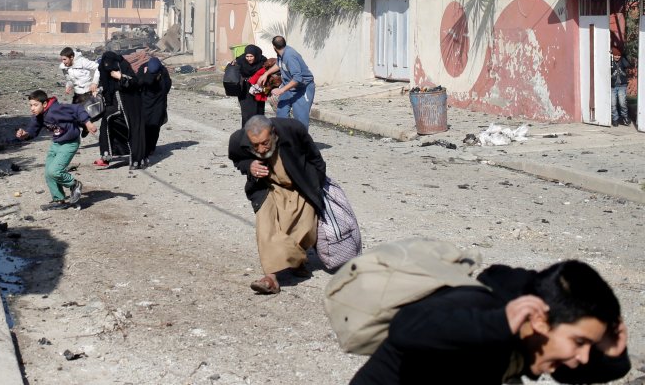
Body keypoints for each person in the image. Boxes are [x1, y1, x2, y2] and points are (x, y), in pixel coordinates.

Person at [350, 259, 630, 385]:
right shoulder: (477, 307)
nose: (582, 357)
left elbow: (578, 373)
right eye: (580, 342)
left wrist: (614, 353)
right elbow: (406, 327)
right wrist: (497, 324)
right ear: (541, 321)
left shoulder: (536, 338)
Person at [228, 115, 325, 295]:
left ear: (274, 133)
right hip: (267, 187)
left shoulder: (293, 129)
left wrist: (315, 186)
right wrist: (250, 166)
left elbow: (316, 159)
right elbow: (237, 160)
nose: (261, 149)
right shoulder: (238, 140)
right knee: (267, 228)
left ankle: (296, 261)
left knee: (304, 229)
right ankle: (271, 278)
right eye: (255, 145)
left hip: (299, 186)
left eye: (265, 143)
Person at [15, 90, 97, 211]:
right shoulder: (38, 116)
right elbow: (33, 130)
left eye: (35, 105)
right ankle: (59, 200)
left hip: (69, 143)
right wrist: (25, 134)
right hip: (56, 144)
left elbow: (78, 109)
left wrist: (88, 123)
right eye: (30, 105)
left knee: (55, 171)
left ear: (44, 104)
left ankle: (74, 184)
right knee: (49, 172)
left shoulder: (57, 109)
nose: (32, 108)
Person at [95, 51, 146, 170]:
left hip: (130, 105)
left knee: (134, 131)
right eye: (105, 63)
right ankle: (106, 156)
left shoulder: (123, 66)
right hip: (114, 105)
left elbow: (135, 82)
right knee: (108, 124)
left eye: (110, 63)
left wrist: (121, 77)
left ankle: (137, 160)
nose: (107, 66)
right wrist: (99, 89)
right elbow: (105, 83)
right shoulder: (104, 68)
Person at [258, 36, 315, 127]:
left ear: (274, 47)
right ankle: (284, 138)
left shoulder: (290, 56)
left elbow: (297, 78)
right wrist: (266, 74)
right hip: (288, 87)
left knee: (300, 119)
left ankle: (301, 140)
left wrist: (281, 90)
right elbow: (278, 65)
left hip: (302, 88)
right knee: (281, 113)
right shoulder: (281, 54)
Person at [137, 57, 171, 166]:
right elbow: (138, 83)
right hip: (145, 103)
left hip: (158, 104)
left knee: (155, 126)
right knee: (145, 126)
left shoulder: (163, 71)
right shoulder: (143, 69)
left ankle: (151, 147)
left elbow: (167, 85)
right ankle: (145, 148)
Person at [234, 45, 275, 128]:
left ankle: (260, 135)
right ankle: (246, 134)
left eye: (251, 56)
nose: (249, 58)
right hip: (244, 89)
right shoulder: (240, 60)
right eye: (247, 56)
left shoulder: (263, 61)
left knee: (258, 112)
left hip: (258, 89)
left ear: (256, 55)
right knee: (247, 114)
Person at [610, 46, 631, 126]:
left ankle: (625, 117)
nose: (617, 57)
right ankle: (615, 118)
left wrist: (623, 56)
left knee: (622, 103)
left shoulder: (622, 61)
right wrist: (610, 57)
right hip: (613, 86)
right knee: (613, 104)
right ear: (612, 55)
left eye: (619, 55)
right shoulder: (610, 61)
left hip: (622, 85)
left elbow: (628, 64)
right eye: (615, 55)